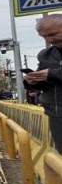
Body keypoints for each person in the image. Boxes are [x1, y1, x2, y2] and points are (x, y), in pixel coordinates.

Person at [24, 14, 62, 153]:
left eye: (53, 34)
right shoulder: (45, 55)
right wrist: (32, 81)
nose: (50, 40)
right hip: (57, 115)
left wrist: (51, 74)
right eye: (44, 37)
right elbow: (45, 83)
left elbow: (51, 75)